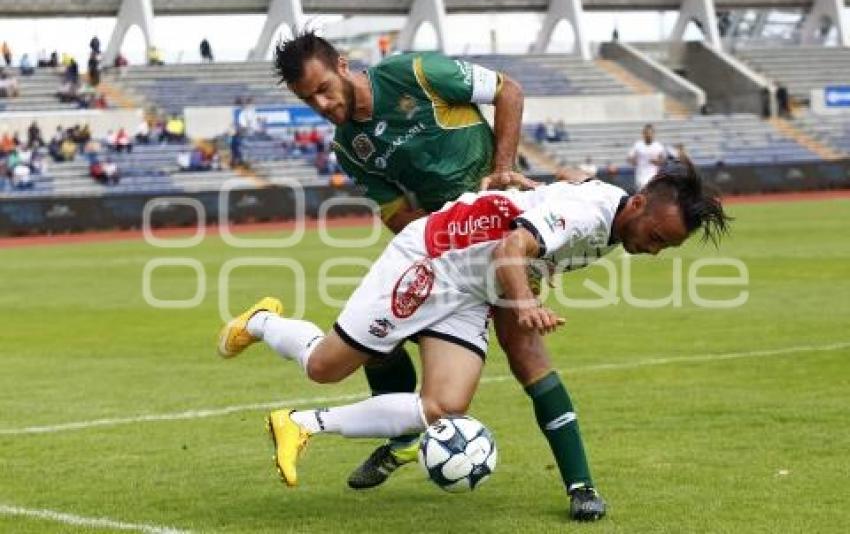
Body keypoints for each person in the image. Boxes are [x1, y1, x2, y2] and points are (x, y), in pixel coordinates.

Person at [218, 159, 730, 509]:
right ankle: (262, 320)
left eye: (667, 247)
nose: (654, 248)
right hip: (433, 258)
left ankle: (300, 424)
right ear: (639, 205)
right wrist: (527, 303)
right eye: (657, 237)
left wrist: (534, 198)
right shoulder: (589, 214)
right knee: (323, 367)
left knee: (444, 405)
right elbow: (511, 249)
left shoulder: (614, 209)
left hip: (471, 288)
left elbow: (571, 183)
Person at [267, 30, 610, 521]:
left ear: (343, 65)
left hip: (508, 230)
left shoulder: (416, 74)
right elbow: (396, 215)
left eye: (323, 89)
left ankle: (581, 486)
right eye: (308, 100)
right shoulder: (351, 147)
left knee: (524, 350)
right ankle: (404, 440)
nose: (321, 104)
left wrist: (504, 166)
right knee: (377, 342)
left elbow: (507, 90)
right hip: (445, 254)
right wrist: (441, 243)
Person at [627, 123, 665, 191]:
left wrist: (657, 162)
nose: (649, 135)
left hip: (653, 175)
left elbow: (663, 161)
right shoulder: (638, 145)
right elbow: (629, 158)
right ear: (643, 134)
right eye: (647, 133)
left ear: (653, 134)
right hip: (640, 175)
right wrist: (633, 161)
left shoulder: (658, 146)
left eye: (650, 133)